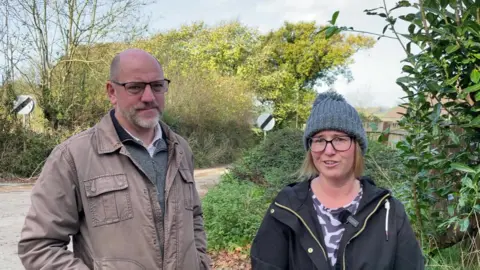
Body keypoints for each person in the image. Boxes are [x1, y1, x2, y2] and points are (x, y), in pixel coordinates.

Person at [18, 48, 211, 270]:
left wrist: (201, 261)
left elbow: (194, 217)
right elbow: (39, 246)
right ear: (112, 92)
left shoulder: (181, 149)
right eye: (135, 87)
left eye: (157, 86)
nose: (149, 97)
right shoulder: (73, 157)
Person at [250, 91, 424, 269]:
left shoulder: (388, 212)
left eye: (339, 139)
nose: (329, 150)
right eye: (319, 140)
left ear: (357, 146)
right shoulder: (286, 207)